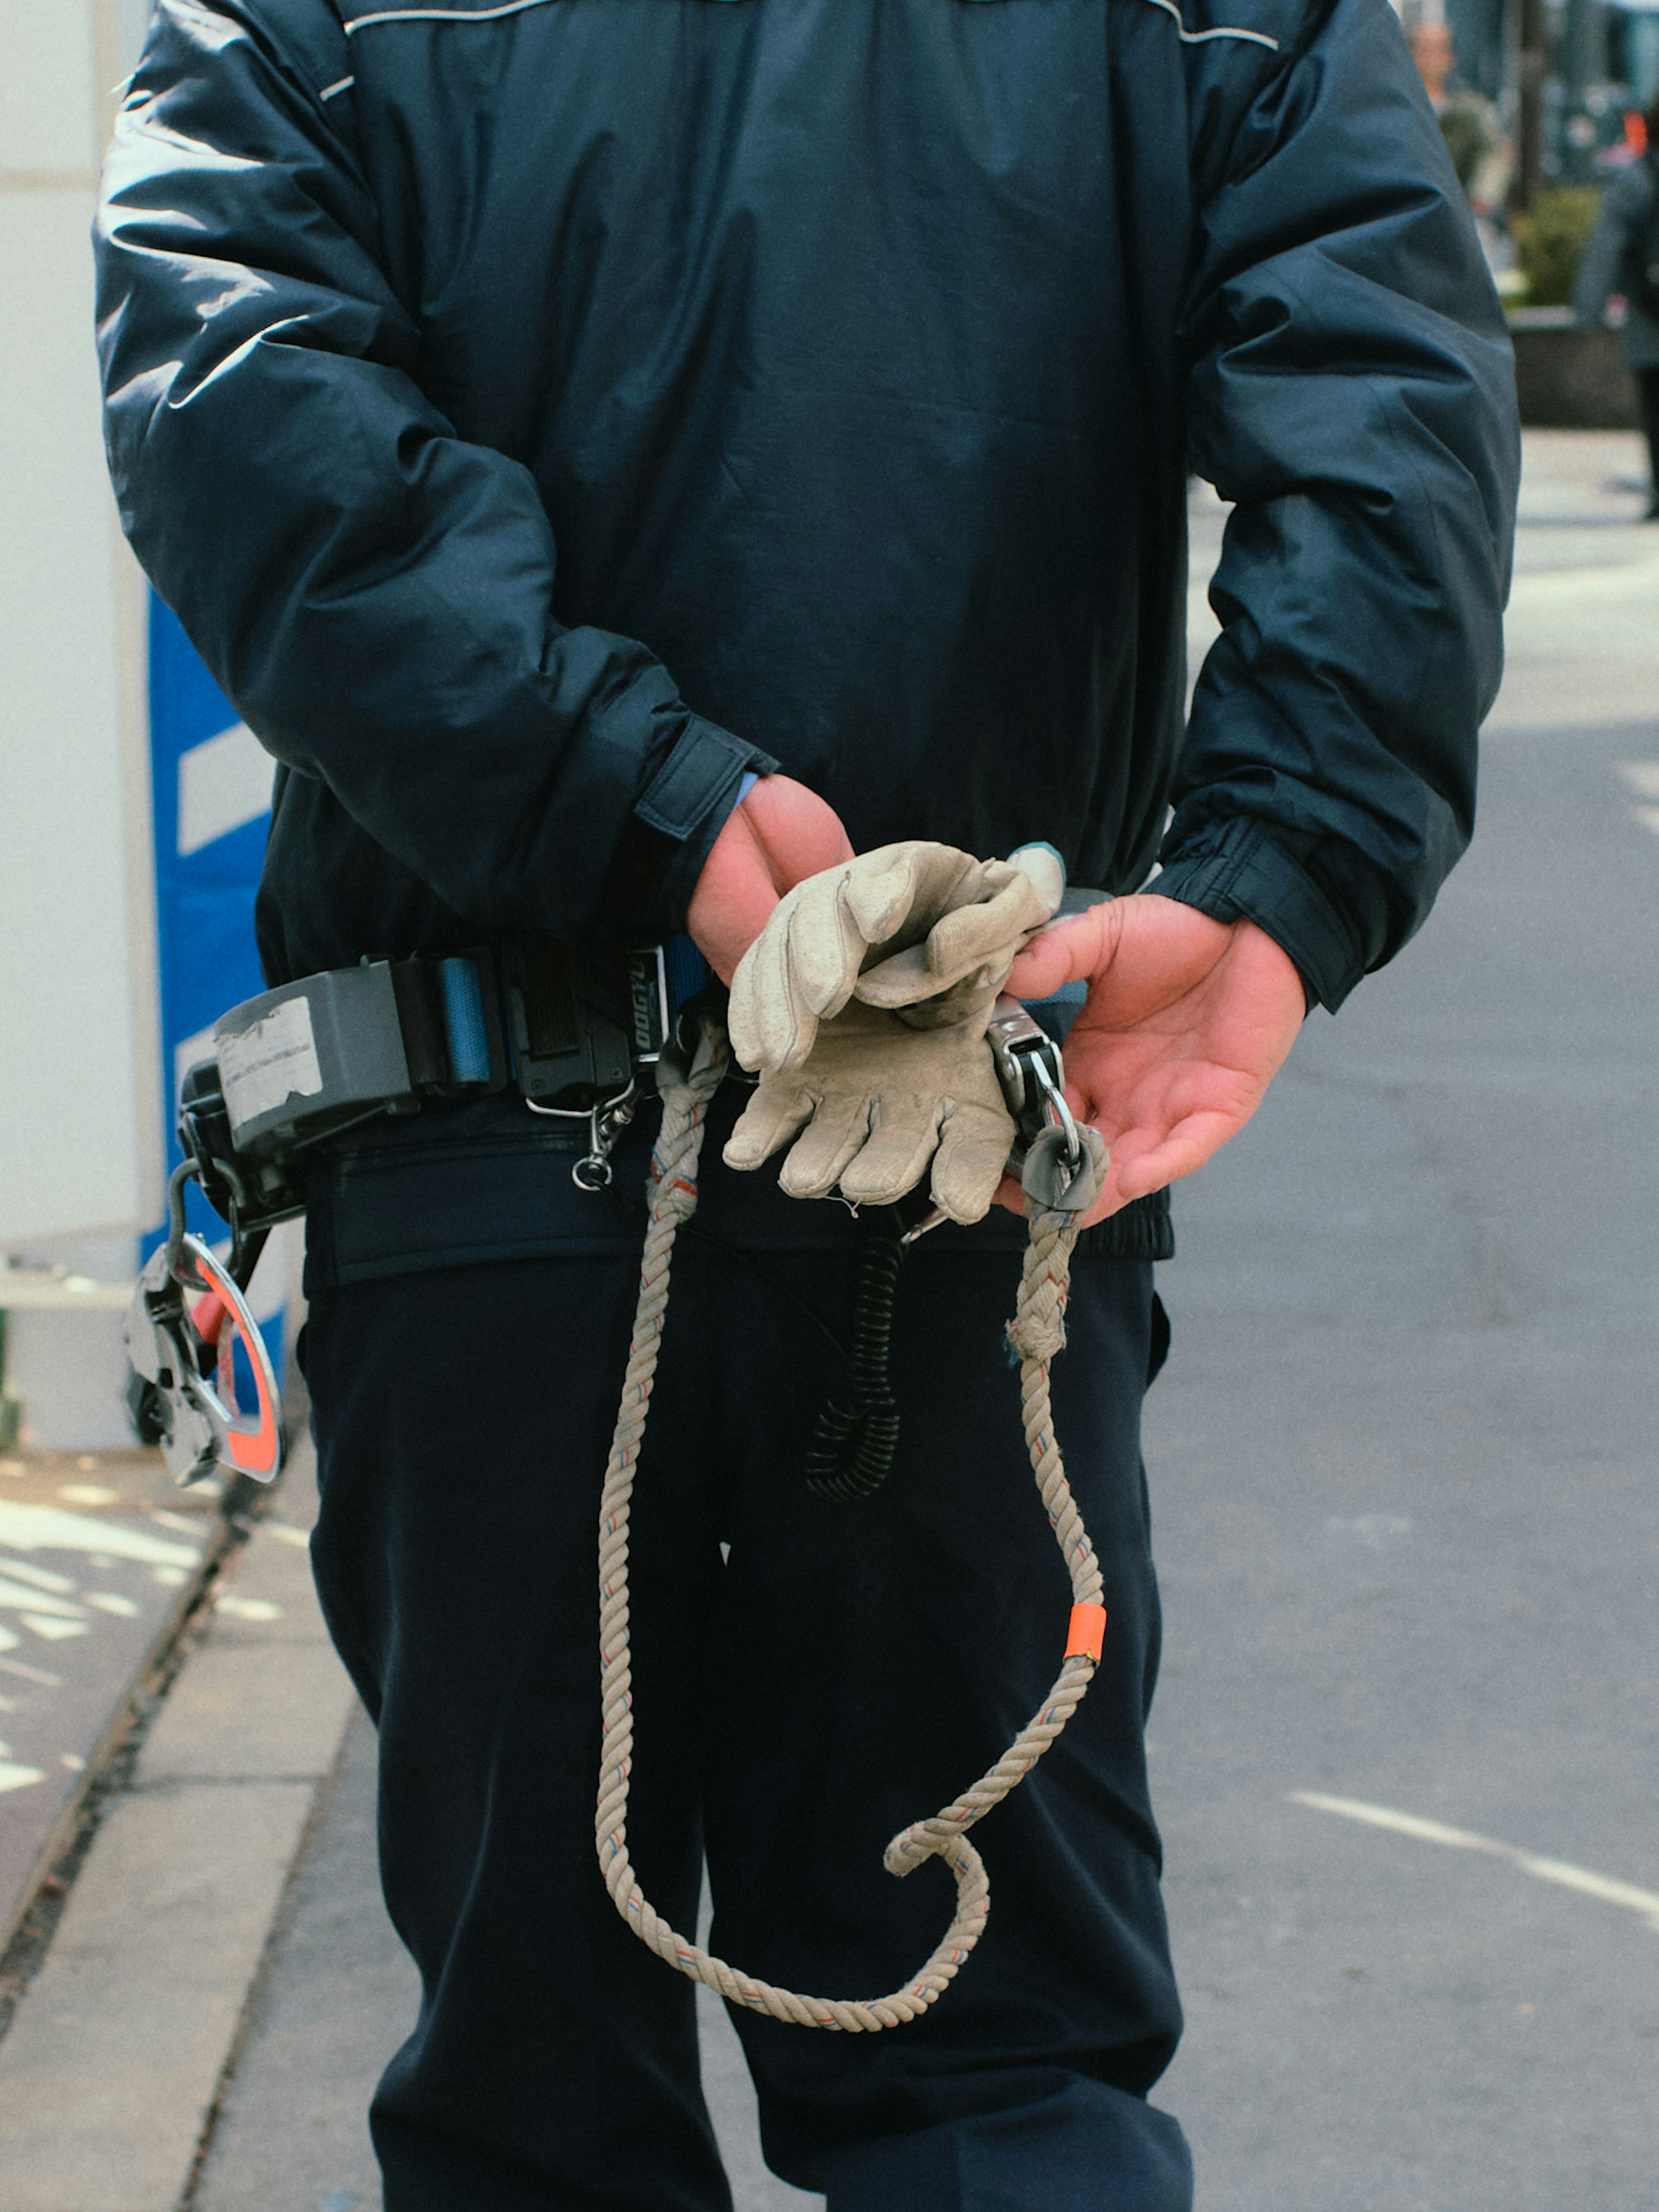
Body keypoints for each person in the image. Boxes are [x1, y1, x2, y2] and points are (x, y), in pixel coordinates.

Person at [95, 1, 1517, 2205]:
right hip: (957, 1131)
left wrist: (630, 786)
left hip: (491, 1155)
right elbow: (1391, 401)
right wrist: (1274, 870)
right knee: (991, 2082)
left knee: (536, 2118)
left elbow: (248, 416)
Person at [1574, 99, 1659, 520]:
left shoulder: (1636, 177)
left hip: (1648, 316)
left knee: (1655, 404)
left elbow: (1606, 246)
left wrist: (1587, 311)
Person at [1408, 13, 1513, 219]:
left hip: (1455, 214)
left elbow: (1495, 153)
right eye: (1422, 49)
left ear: (1450, 57)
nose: (1429, 57)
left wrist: (1481, 197)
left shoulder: (1469, 111)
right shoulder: (1393, 108)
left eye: (1436, 50)